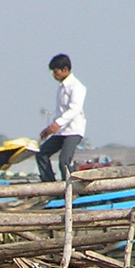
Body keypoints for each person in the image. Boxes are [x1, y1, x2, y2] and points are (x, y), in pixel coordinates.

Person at [37, 53, 86, 182]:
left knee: (64, 161)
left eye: (56, 72)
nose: (54, 75)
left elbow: (74, 109)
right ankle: (50, 186)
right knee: (42, 153)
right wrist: (49, 129)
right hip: (61, 131)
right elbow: (60, 112)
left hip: (73, 131)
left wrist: (57, 124)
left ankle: (70, 190)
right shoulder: (61, 88)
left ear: (65, 69)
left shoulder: (77, 87)